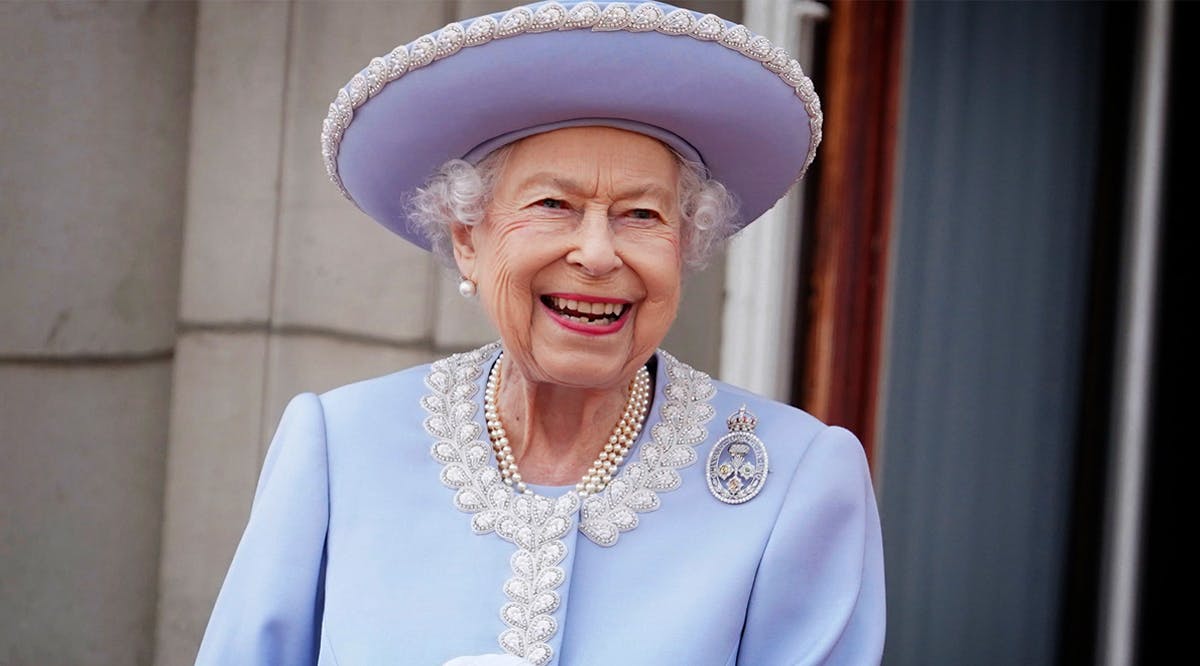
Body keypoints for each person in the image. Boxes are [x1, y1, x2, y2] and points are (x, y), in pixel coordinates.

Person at [196, 1, 885, 664]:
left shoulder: (796, 479)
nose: (596, 252)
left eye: (641, 215)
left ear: (686, 245)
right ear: (468, 239)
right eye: (553, 205)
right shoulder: (340, 446)